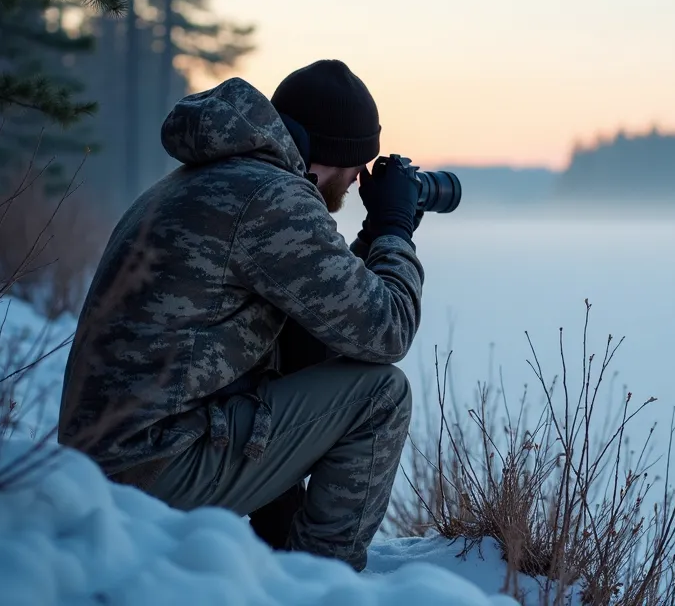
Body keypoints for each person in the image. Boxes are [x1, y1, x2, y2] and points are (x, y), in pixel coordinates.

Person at [57, 59, 426, 572]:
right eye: (356, 167)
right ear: (330, 159)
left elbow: (322, 321)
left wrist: (368, 242)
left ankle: (279, 557)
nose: (356, 182)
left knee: (299, 359)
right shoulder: (271, 198)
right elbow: (387, 330)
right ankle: (318, 585)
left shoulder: (208, 179)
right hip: (150, 470)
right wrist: (394, 228)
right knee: (381, 395)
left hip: (104, 463)